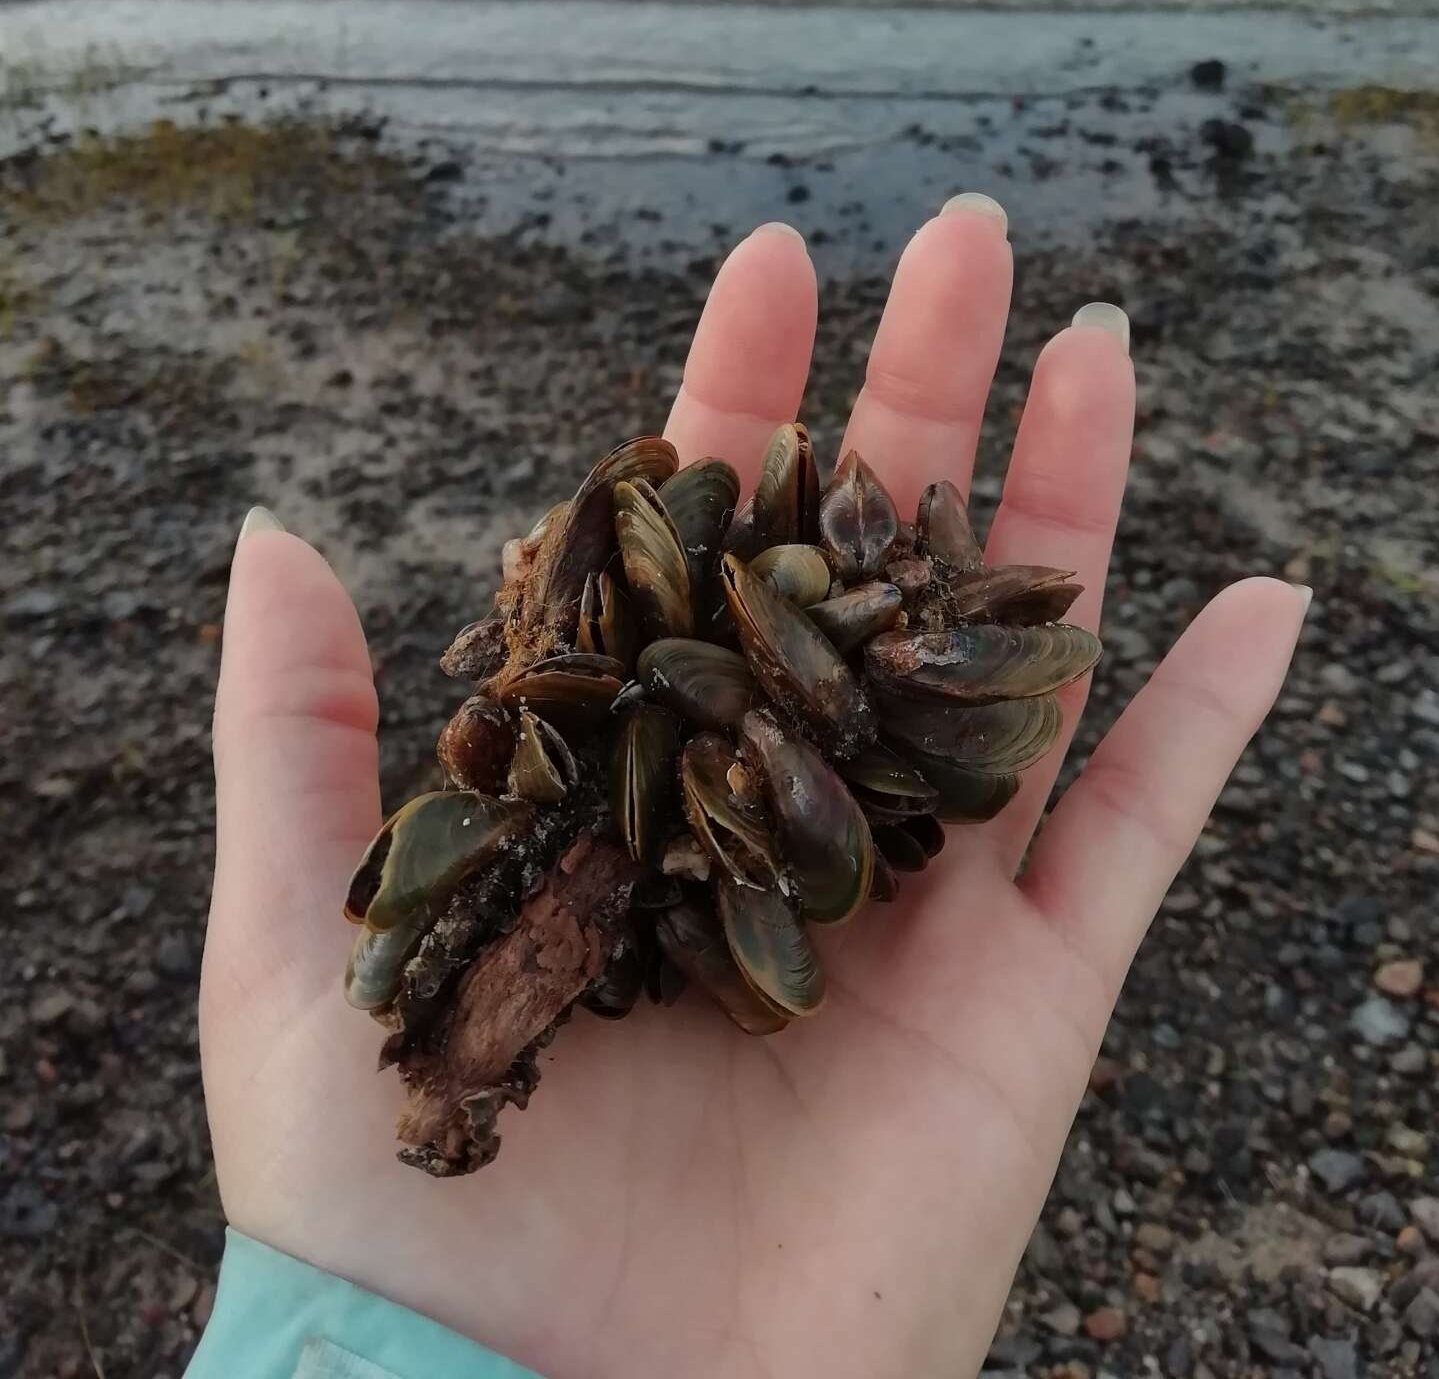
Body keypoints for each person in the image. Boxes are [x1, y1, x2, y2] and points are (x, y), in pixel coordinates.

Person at [189, 198, 1310, 1379]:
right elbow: (659, 698)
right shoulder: (652, 748)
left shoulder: (731, 731)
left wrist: (344, 1333)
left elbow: (705, 697)